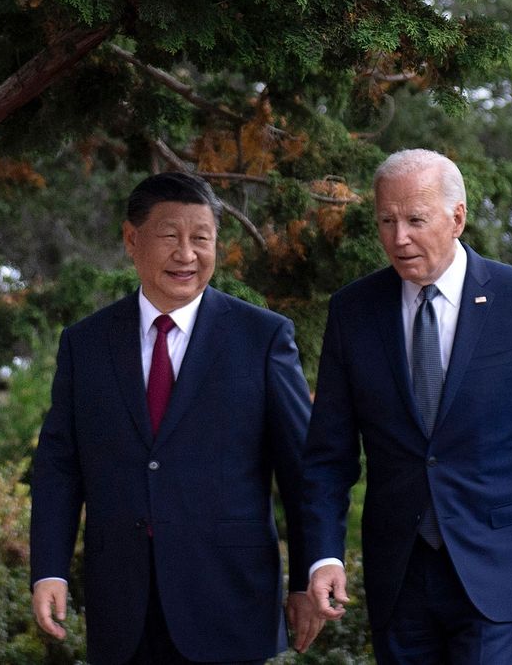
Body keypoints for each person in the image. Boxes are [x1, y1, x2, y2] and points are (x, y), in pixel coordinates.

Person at [301, 149, 512, 663]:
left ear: (457, 217)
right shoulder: (354, 311)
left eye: (416, 220)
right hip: (399, 575)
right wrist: (323, 555)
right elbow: (329, 455)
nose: (399, 238)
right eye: (387, 221)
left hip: (498, 571)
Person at [29, 172, 323, 664]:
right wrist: (50, 570)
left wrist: (306, 577)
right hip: (123, 605)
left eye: (201, 239)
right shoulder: (86, 344)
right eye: (170, 237)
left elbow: (301, 472)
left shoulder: (263, 339)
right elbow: (59, 468)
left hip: (231, 602)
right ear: (131, 239)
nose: (186, 254)